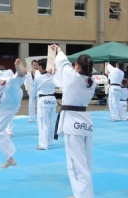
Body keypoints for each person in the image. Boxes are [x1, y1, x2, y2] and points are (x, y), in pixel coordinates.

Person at [51, 44, 95, 198]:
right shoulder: (92, 82)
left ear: (77, 66)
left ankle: (83, 195)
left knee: (76, 164)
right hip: (85, 122)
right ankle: (81, 193)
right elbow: (64, 69)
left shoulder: (72, 76)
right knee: (85, 161)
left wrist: (58, 50)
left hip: (73, 123)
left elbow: (62, 62)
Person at [30, 58, 57, 150]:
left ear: (41, 67)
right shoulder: (53, 75)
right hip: (52, 100)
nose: (37, 68)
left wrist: (32, 98)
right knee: (50, 122)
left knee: (42, 123)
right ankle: (49, 141)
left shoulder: (38, 77)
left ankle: (43, 144)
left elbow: (34, 90)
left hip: (43, 100)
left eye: (38, 66)